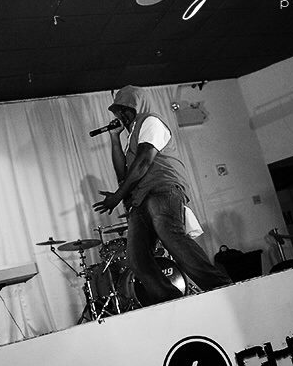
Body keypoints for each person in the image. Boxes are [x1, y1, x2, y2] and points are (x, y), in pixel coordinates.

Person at [93, 85, 232, 305]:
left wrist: (118, 196)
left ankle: (222, 287)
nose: (120, 115)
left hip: (162, 188)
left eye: (124, 109)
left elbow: (144, 162)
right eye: (118, 111)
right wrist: (114, 138)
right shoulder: (132, 139)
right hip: (140, 199)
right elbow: (123, 175)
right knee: (136, 258)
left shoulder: (151, 122)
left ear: (137, 106)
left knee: (171, 236)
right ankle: (172, 300)